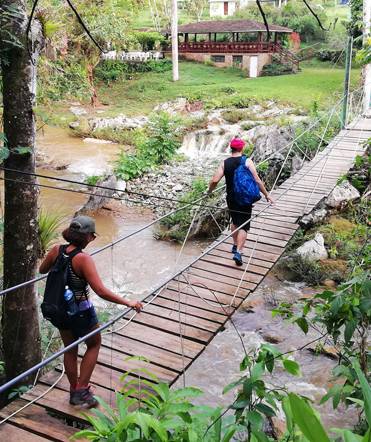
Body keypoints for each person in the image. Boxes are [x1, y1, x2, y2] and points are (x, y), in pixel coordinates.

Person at [39, 215, 143, 408]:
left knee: (70, 348)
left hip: (58, 310)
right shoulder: (83, 259)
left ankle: (74, 390)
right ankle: (82, 390)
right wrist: (128, 302)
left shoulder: (56, 250)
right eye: (92, 237)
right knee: (94, 343)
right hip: (80, 311)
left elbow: (42, 270)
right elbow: (101, 291)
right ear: (88, 237)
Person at [208, 137, 274, 266]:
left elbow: (215, 180)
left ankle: (234, 244)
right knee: (244, 225)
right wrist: (267, 195)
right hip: (245, 197)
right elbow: (257, 180)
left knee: (235, 220)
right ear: (241, 148)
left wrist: (209, 191)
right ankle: (238, 252)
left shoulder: (225, 162)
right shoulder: (247, 161)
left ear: (230, 148)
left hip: (231, 197)